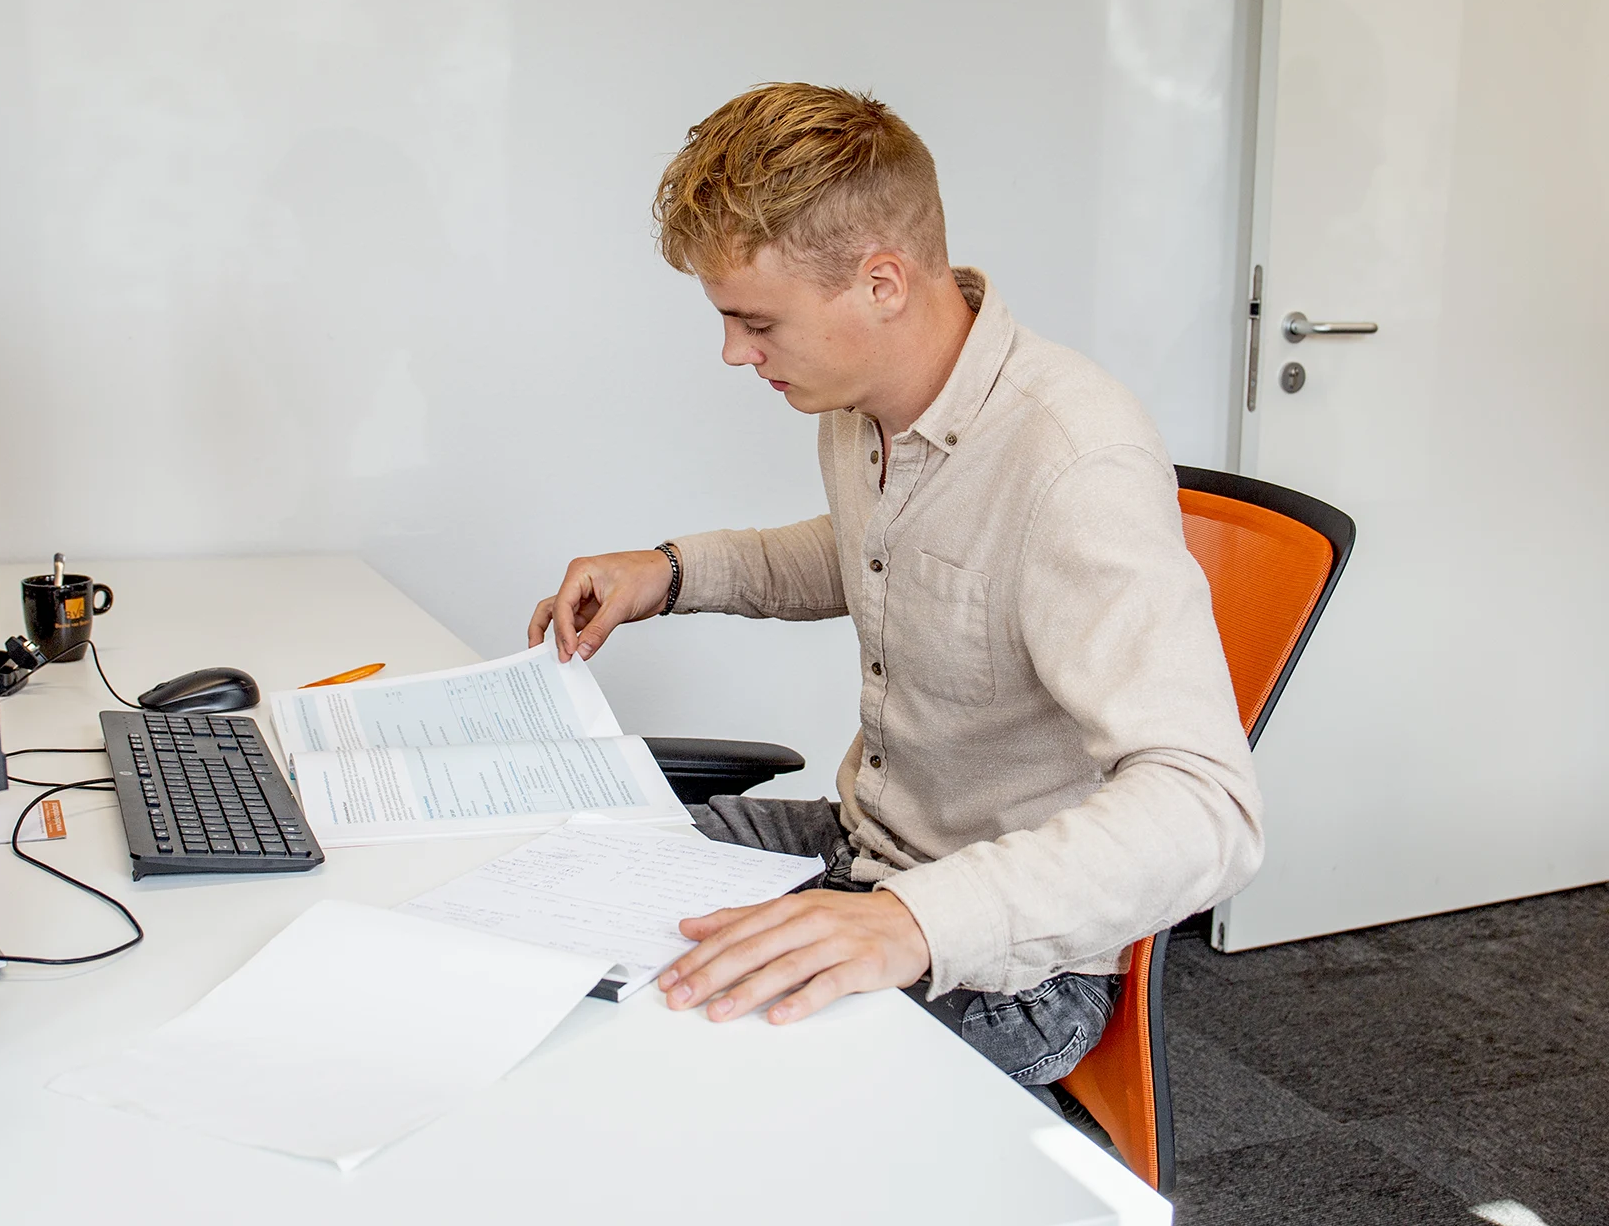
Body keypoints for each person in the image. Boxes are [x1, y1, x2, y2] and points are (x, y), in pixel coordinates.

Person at [526, 83, 1262, 1091]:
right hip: (860, 850)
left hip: (1006, 961)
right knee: (557, 867)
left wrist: (910, 920)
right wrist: (672, 571)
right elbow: (870, 551)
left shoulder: (1072, 458)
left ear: (881, 282)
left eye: (755, 323)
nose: (735, 353)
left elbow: (1207, 809)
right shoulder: (858, 394)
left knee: (686, 1073)